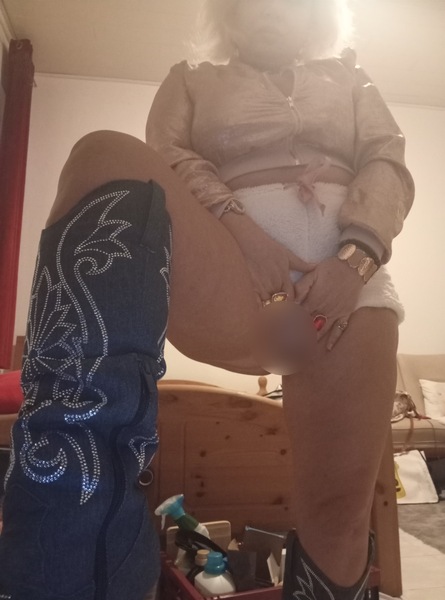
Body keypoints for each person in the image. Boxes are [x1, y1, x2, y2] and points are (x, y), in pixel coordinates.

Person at [0, 1, 414, 599]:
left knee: (340, 516)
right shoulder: (191, 78)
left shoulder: (349, 75)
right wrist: (243, 230)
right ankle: (69, 571)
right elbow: (169, 154)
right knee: (103, 154)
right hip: (230, 259)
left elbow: (386, 161)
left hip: (348, 281)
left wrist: (355, 263)